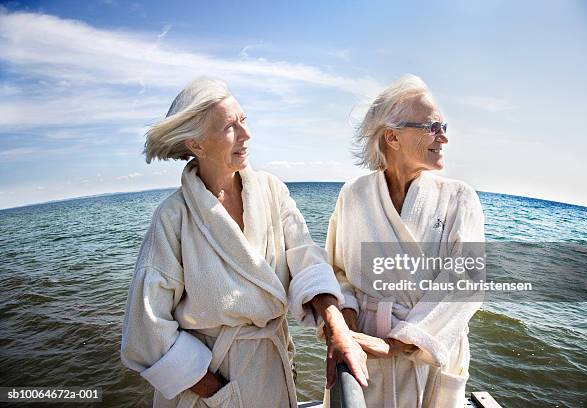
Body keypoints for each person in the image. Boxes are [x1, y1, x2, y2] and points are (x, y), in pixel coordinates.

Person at [121, 76, 368, 408]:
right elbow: (147, 328)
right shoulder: (173, 217)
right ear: (196, 144)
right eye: (229, 127)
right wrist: (218, 390)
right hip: (207, 388)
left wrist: (337, 327)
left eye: (244, 120)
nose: (246, 135)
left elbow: (306, 258)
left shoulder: (270, 191)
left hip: (272, 372)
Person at [325, 74, 485, 408]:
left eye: (444, 126)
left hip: (428, 353)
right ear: (392, 137)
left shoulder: (459, 198)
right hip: (365, 349)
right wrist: (350, 331)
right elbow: (337, 271)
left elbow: (466, 281)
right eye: (432, 126)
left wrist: (400, 343)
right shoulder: (353, 195)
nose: (443, 137)